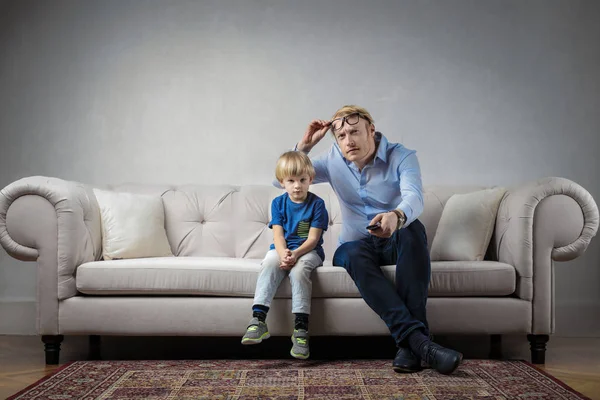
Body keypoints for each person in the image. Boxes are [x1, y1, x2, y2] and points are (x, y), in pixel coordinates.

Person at [293, 105, 462, 375]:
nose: (348, 141)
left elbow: (414, 197)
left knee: (412, 229)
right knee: (349, 253)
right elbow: (282, 181)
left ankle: (410, 346)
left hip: (396, 239)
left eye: (355, 132)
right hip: (357, 247)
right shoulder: (332, 159)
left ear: (371, 130)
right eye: (341, 136)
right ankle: (420, 344)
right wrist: (304, 147)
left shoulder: (401, 156)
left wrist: (397, 216)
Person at [241, 151, 329, 360]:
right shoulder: (278, 204)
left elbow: (313, 240)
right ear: (282, 182)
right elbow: (278, 236)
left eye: (302, 180)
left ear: (311, 180)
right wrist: (282, 254)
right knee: (269, 263)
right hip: (283, 250)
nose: (297, 185)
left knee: (299, 272)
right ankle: (258, 320)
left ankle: (300, 331)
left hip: (309, 252)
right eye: (291, 180)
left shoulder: (317, 204)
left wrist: (295, 254)